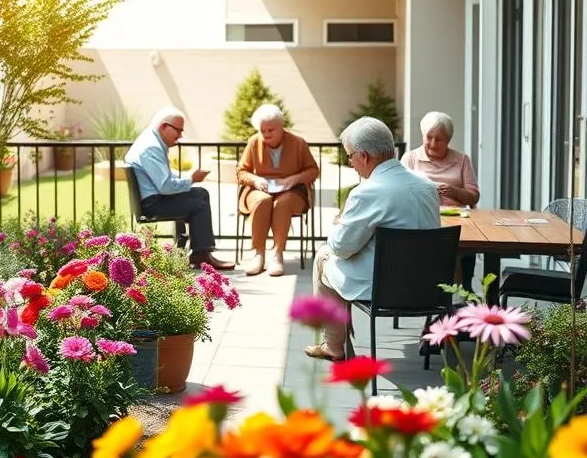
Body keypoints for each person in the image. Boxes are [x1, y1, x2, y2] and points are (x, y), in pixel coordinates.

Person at [305, 116, 440, 361]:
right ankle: (336, 342)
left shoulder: (367, 191)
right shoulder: (427, 187)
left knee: (324, 255)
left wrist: (339, 223)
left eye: (350, 156)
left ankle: (333, 346)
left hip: (383, 288)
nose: (351, 163)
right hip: (428, 288)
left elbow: (342, 248)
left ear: (364, 156)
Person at [125, 106, 235, 271]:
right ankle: (201, 255)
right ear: (164, 127)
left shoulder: (151, 141)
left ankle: (200, 253)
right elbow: (165, 186)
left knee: (200, 194)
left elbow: (164, 174)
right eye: (178, 130)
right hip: (154, 204)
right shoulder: (151, 148)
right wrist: (191, 179)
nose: (180, 136)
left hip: (155, 199)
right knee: (199, 203)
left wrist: (188, 176)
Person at [236, 104, 319, 277]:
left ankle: (277, 254)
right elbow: (241, 171)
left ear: (282, 127)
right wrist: (256, 180)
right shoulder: (253, 142)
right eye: (262, 130)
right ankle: (258, 254)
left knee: (283, 203)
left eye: (270, 130)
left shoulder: (298, 143)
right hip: (259, 189)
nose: (266, 134)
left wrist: (293, 179)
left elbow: (313, 170)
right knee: (262, 201)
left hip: (292, 191)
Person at [400, 110, 480, 289]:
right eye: (429, 137)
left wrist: (453, 191)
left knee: (457, 244)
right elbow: (400, 193)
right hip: (422, 217)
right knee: (446, 246)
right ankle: (452, 296)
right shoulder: (410, 159)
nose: (433, 143)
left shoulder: (462, 160)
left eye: (439, 139)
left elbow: (473, 195)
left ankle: (455, 294)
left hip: (457, 219)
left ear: (448, 140)